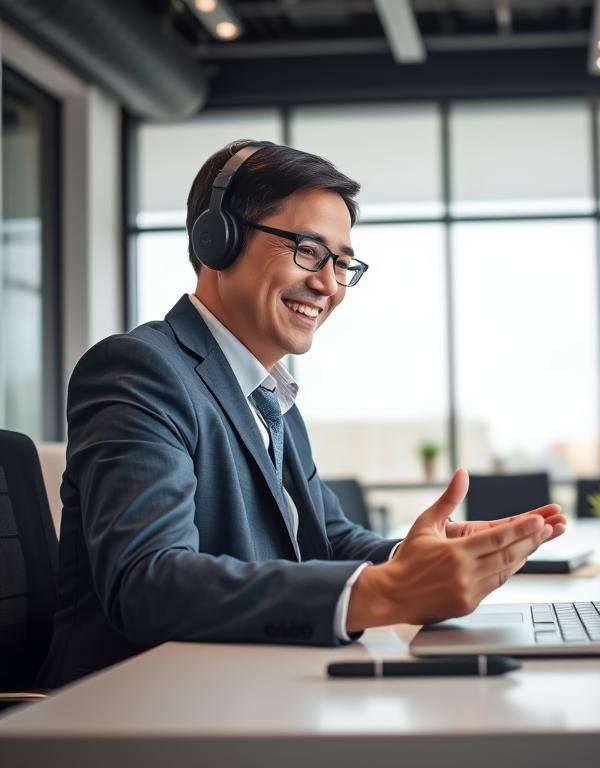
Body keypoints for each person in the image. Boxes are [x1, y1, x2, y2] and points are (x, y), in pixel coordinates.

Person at [37, 140, 566, 688]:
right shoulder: (140, 370)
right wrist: (385, 592)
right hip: (138, 710)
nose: (329, 285)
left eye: (342, 263)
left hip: (251, 691)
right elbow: (147, 581)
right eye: (309, 251)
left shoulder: (272, 396)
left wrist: (422, 559)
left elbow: (329, 541)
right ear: (218, 239)